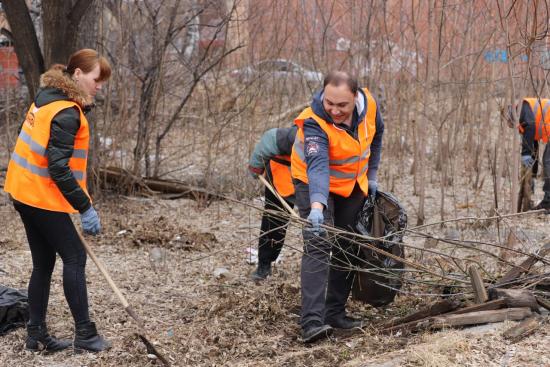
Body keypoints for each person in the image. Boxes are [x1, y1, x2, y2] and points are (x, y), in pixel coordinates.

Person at [3, 49, 112, 353]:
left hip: (22, 190)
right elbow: (59, 167)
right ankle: (86, 335)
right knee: (75, 257)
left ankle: (36, 335)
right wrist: (85, 207)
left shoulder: (46, 98)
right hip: (39, 195)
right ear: (78, 75)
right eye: (95, 78)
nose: (99, 85)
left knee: (44, 262)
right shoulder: (67, 112)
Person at [290, 71, 384, 343]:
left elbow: (378, 134)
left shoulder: (370, 106)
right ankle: (312, 323)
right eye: (329, 102)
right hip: (311, 183)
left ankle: (334, 312)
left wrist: (373, 174)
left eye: (342, 105)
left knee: (347, 242)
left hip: (351, 184)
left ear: (355, 98)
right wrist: (317, 206)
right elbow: (317, 166)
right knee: (319, 242)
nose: (334, 110)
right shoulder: (314, 121)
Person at [248, 126, 298, 280]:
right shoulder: (302, 133)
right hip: (281, 176)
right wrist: (255, 166)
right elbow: (270, 138)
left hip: (317, 179)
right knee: (274, 220)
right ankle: (264, 265)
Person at [504, 98, 550, 210]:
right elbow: (533, 149)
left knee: (548, 162)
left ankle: (548, 202)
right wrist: (532, 176)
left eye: (510, 122)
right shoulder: (526, 115)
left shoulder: (522, 108)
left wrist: (525, 153)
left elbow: (530, 126)